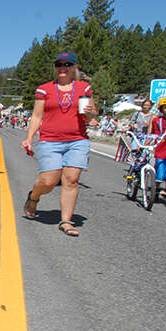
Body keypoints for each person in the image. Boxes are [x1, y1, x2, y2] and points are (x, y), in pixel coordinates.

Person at [20, 51, 98, 237]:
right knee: (49, 180)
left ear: (74, 67)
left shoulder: (83, 88)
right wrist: (29, 138)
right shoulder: (44, 89)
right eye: (59, 64)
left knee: (71, 180)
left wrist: (91, 113)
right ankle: (34, 196)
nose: (62, 68)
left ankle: (66, 221)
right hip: (50, 140)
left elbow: (91, 116)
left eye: (67, 64)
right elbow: (37, 116)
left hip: (77, 140)